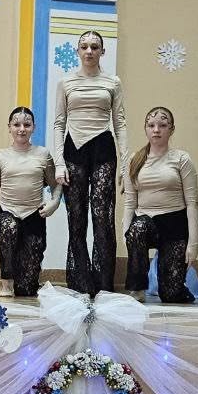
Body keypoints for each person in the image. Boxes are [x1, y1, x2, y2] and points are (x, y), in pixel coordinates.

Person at [52, 30, 128, 296]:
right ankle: (81, 282)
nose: (89, 51)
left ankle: (103, 283)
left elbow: (120, 123)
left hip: (103, 147)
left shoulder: (113, 82)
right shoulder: (66, 82)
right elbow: (59, 123)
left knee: (102, 217)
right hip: (74, 149)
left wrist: (125, 164)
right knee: (77, 217)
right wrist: (59, 162)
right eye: (84, 46)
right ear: (77, 51)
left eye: (94, 47)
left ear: (102, 52)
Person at [0, 107, 61, 298]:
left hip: (33, 216)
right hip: (7, 213)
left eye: (26, 125)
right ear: (9, 127)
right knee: (9, 227)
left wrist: (54, 203)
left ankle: (27, 281)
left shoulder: (43, 154)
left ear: (33, 128)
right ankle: (6, 284)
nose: (21, 129)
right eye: (16, 124)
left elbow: (56, 185)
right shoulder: (0, 155)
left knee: (26, 291)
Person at [123, 107, 198, 303]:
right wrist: (127, 234)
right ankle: (137, 289)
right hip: (146, 222)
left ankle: (177, 286)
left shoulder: (182, 159)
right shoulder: (134, 160)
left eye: (162, 125)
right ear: (145, 128)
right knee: (137, 228)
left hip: (174, 225)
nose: (156, 130)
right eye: (151, 125)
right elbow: (130, 203)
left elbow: (192, 203)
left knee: (171, 295)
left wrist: (193, 245)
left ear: (171, 129)